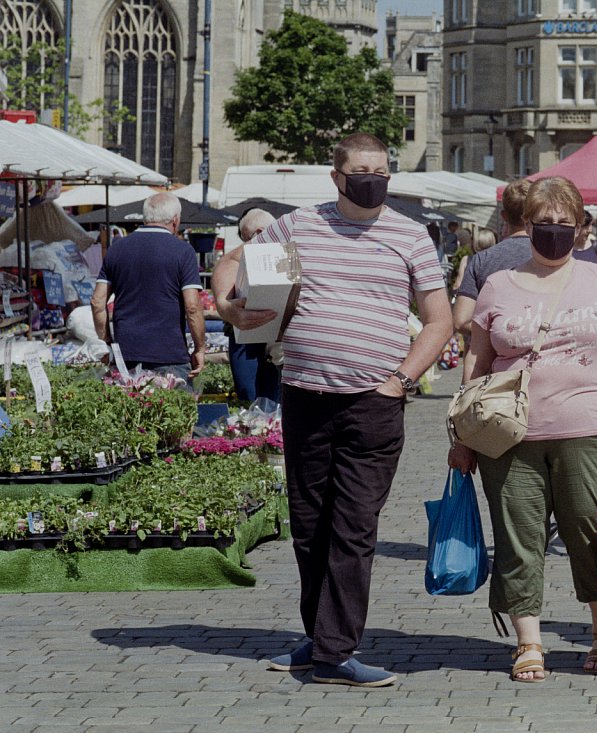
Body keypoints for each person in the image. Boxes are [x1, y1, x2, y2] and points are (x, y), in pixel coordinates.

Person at [212, 132, 452, 688]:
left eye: (381, 173)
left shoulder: (410, 235)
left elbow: (439, 320)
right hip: (305, 396)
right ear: (337, 176)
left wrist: (401, 380)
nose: (373, 181)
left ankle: (336, 651)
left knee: (353, 526)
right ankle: (320, 638)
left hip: (373, 403)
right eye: (361, 172)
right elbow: (233, 259)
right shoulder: (299, 225)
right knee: (310, 525)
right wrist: (227, 305)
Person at [449, 176, 597, 681]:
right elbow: (478, 362)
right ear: (527, 225)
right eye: (544, 222)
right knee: (518, 538)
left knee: (591, 533)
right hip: (509, 436)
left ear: (580, 228)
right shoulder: (498, 284)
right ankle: (528, 642)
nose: (554, 230)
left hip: (592, 428)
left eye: (564, 222)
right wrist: (462, 436)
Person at [90, 192, 205, 382]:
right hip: (170, 354)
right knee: (174, 400)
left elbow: (97, 302)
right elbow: (192, 306)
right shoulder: (183, 252)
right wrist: (199, 348)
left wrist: (107, 341)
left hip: (126, 353)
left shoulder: (116, 249)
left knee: (129, 401)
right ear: (175, 220)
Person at [451, 177, 533, 344]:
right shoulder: (551, 257)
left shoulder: (482, 259)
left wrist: (500, 331)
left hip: (489, 353)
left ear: (503, 216)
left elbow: (461, 321)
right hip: (541, 351)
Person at [226, 208, 280, 404]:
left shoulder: (288, 254)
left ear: (259, 233)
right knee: (250, 397)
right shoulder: (236, 260)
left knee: (274, 400)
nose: (244, 246)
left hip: (273, 341)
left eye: (246, 239)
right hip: (247, 337)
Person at [452, 227, 497, 293]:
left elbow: (458, 285)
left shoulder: (466, 259)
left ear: (476, 243)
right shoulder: (496, 262)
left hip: (469, 296)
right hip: (488, 296)